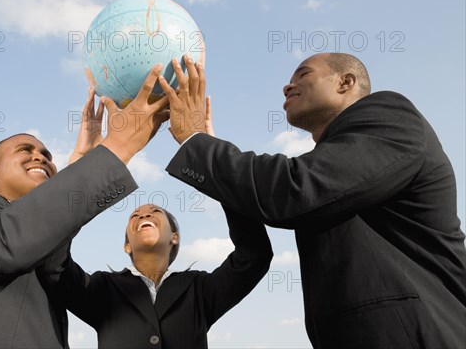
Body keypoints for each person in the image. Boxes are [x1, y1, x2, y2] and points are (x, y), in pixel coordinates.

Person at [160, 53, 466, 348]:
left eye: (303, 73)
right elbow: (274, 197)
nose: (287, 85)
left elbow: (294, 191)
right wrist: (207, 147)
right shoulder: (333, 162)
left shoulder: (390, 116)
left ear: (345, 82)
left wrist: (195, 141)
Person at [0, 65, 170, 349]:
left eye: (47, 155)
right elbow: (4, 246)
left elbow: (53, 262)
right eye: (25, 150)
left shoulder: (42, 242)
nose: (41, 157)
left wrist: (80, 167)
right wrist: (117, 148)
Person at [57, 83, 271, 348]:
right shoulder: (103, 288)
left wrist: (214, 157)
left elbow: (253, 256)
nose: (144, 213)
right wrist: (81, 168)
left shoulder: (199, 289)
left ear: (175, 237)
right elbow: (54, 263)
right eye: (135, 216)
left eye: (155, 211)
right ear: (126, 245)